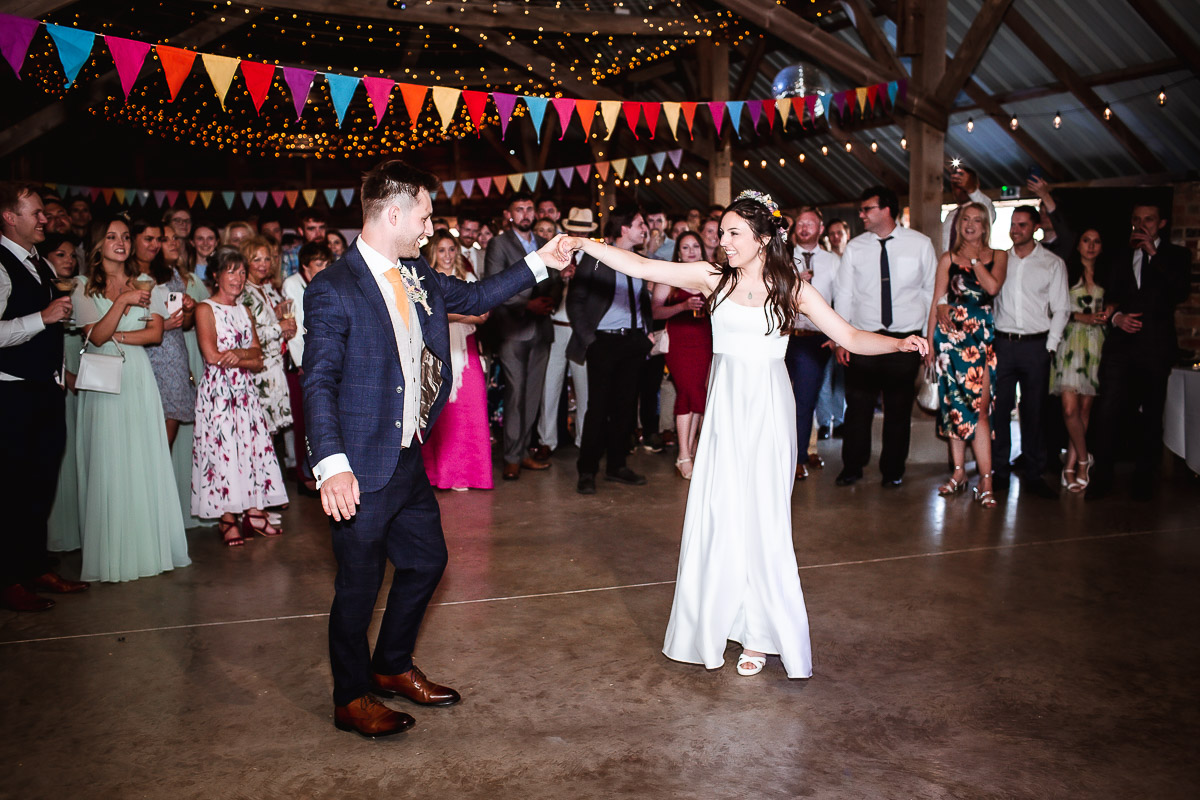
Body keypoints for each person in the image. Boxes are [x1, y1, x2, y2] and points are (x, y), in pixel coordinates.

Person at [558, 191, 927, 678]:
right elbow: (643, 267)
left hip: (770, 411)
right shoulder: (712, 277)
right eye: (723, 232)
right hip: (726, 411)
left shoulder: (792, 287)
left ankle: (759, 633)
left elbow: (852, 336)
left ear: (763, 238)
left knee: (764, 521)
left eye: (734, 233)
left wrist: (899, 342)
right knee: (720, 516)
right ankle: (715, 622)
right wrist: (585, 244)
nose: (723, 241)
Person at [302, 158, 567, 738]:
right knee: (358, 587)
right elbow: (317, 381)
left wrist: (540, 263)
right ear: (392, 214)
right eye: (423, 217)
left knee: (427, 562)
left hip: (405, 456)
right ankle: (350, 698)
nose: (429, 229)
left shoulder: (416, 273)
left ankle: (392, 664)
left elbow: (476, 294)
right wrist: (331, 466)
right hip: (359, 464)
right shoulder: (333, 289)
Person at [73, 216, 190, 583]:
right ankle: (112, 554)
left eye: (125, 236)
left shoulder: (148, 284)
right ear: (97, 244)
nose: (121, 243)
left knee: (141, 459)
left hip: (138, 377)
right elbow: (94, 335)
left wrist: (119, 338)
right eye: (112, 237)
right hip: (105, 380)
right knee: (109, 462)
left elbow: (155, 334)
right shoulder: (81, 287)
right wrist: (123, 301)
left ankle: (146, 547)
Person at [0, 183, 88, 610]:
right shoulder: (0, 263)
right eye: (35, 213)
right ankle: (8, 579)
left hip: (46, 389)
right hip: (11, 393)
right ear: (9, 217)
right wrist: (43, 316)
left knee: (40, 483)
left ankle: (35, 567)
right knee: (11, 487)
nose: (44, 219)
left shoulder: (40, 263)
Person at [1087, 201, 1192, 501]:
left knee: (1151, 415)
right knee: (1108, 411)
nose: (1141, 224)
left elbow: (1179, 291)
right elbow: (1107, 297)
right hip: (1120, 347)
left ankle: (1145, 480)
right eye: (1137, 219)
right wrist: (1117, 318)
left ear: (1161, 223)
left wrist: (1153, 254)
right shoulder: (1119, 257)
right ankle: (1102, 476)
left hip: (1156, 348)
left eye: (1149, 219)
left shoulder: (1176, 256)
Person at [833, 186, 938, 487]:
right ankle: (852, 466)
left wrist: (928, 340)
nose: (861, 214)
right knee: (858, 408)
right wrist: (842, 339)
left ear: (887, 210)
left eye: (867, 209)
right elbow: (844, 295)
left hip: (905, 340)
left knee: (898, 409)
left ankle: (893, 470)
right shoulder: (855, 248)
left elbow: (932, 294)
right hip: (863, 339)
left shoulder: (920, 244)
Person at [192, 246, 288, 544]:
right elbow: (211, 356)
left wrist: (236, 354)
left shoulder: (244, 310)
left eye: (242, 272)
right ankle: (227, 517)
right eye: (231, 271)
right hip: (219, 394)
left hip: (245, 391)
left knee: (251, 451)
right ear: (217, 275)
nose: (238, 278)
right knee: (223, 453)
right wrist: (241, 355)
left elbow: (258, 359)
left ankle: (255, 513)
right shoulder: (205, 309)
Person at [566, 204, 653, 494]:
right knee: (598, 408)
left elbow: (643, 301)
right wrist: (589, 338)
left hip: (633, 341)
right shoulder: (595, 259)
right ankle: (587, 471)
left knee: (625, 407)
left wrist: (647, 332)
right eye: (640, 224)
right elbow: (575, 301)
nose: (645, 229)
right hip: (603, 341)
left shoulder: (641, 260)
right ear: (624, 229)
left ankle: (617, 466)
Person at [928, 202, 1008, 506]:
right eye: (965, 219)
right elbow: (937, 300)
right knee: (953, 408)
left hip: (982, 341)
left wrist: (974, 259)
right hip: (950, 341)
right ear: (958, 223)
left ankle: (985, 480)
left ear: (985, 226)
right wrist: (930, 344)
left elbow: (992, 287)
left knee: (980, 410)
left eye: (977, 220)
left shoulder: (998, 255)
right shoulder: (946, 258)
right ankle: (959, 473)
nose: (970, 224)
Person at [990, 206, 1070, 498]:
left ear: (1035, 228)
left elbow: (1062, 308)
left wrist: (1050, 347)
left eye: (1022, 225)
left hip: (1037, 345)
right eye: (1013, 224)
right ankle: (999, 472)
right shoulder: (998, 260)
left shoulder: (1052, 263)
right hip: (1003, 343)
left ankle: (1034, 473)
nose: (1015, 229)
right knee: (1000, 410)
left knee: (1034, 412)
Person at [484, 192, 561, 480]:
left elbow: (555, 278)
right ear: (509, 214)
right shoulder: (499, 244)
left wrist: (550, 300)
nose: (526, 214)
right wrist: (527, 304)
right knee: (516, 395)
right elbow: (493, 284)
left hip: (542, 327)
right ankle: (511, 457)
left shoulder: (544, 243)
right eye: (520, 209)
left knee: (533, 395)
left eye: (530, 208)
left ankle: (524, 451)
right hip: (513, 329)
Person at [419, 231, 493, 491]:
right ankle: (441, 475)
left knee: (471, 407)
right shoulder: (426, 280)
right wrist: (463, 313)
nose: (448, 255)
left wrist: (445, 314)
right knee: (441, 413)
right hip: (437, 350)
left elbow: (483, 315)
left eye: (452, 249)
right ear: (432, 253)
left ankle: (470, 473)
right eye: (442, 250)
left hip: (467, 349)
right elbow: (422, 313)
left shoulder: (468, 279)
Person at [782, 207, 840, 481]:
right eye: (800, 224)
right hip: (783, 335)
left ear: (820, 228)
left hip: (815, 339)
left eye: (810, 224)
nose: (804, 228)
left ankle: (799, 457)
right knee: (781, 398)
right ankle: (784, 453)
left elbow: (842, 297)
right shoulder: (782, 257)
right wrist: (792, 283)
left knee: (806, 399)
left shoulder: (833, 261)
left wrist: (836, 335)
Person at [1050, 229, 1108, 493]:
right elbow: (1052, 308)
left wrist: (1112, 310)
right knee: (1070, 410)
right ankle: (1085, 458)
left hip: (1096, 345)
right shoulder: (1065, 271)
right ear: (1078, 245)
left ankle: (1072, 466)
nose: (1091, 246)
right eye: (1086, 240)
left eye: (1096, 241)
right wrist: (1079, 317)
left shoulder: (1109, 275)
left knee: (1084, 411)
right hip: (1070, 343)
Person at [651, 230, 711, 479]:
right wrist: (683, 306)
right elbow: (655, 312)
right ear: (678, 252)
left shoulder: (709, 276)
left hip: (705, 339)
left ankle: (694, 447)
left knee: (699, 392)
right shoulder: (670, 276)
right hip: (679, 341)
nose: (691, 251)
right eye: (685, 248)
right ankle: (683, 454)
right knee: (686, 391)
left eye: (695, 246)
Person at [535, 208, 591, 460]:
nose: (578, 235)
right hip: (556, 328)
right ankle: (547, 440)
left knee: (584, 389)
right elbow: (539, 287)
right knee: (550, 385)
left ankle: (584, 440)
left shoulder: (596, 258)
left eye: (583, 231)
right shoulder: (556, 253)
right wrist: (560, 276)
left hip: (582, 331)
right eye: (575, 230)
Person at [42, 233, 84, 552]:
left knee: (75, 452)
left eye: (71, 255)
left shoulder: (79, 287)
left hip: (82, 368)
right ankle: (56, 536)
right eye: (60, 254)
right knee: (58, 457)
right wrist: (66, 372)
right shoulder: (43, 290)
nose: (68, 260)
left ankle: (77, 530)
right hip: (58, 374)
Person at [139, 227, 197, 448]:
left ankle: (160, 481)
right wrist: (162, 325)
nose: (173, 243)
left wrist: (189, 309)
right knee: (145, 433)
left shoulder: (172, 275)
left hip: (174, 356)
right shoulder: (134, 276)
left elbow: (187, 325)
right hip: (147, 355)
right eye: (164, 239)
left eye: (175, 238)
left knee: (166, 440)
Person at [281, 241, 330, 491]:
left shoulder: (325, 282)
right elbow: (295, 328)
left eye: (326, 263)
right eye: (318, 264)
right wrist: (302, 363)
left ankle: (319, 470)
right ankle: (304, 475)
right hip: (302, 364)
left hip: (323, 360)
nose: (324, 268)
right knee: (302, 421)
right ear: (304, 266)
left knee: (320, 420)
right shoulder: (292, 284)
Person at [240, 235, 296, 436]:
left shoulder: (263, 288)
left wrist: (279, 321)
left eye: (266, 259)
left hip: (274, 370)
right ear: (246, 262)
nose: (263, 264)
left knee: (270, 437)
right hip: (260, 373)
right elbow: (247, 336)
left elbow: (265, 324)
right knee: (260, 435)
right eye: (256, 259)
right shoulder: (243, 293)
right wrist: (279, 327)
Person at [941, 165, 996, 253]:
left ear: (976, 186)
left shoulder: (983, 209)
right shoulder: (951, 216)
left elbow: (987, 212)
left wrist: (971, 190)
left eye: (965, 184)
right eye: (957, 185)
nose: (962, 188)